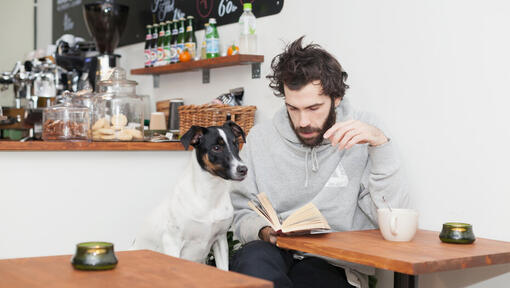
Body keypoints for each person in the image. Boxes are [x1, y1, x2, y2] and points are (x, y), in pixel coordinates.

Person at [229, 36, 409, 288]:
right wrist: (264, 231)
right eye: (293, 109)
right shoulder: (261, 138)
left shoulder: (363, 132)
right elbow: (241, 210)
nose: (303, 121)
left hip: (333, 262)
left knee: (311, 279)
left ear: (336, 99)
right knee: (253, 264)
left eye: (313, 108)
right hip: (274, 249)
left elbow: (393, 217)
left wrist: (381, 145)